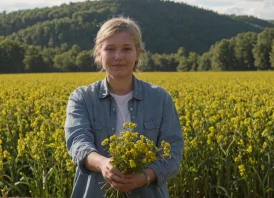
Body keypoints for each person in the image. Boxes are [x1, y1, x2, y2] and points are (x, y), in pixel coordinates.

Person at [64, 17, 184, 198]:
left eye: (126, 49)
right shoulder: (82, 98)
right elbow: (77, 143)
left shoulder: (160, 99)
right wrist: (103, 164)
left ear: (138, 53)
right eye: (110, 49)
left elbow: (173, 152)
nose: (118, 56)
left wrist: (144, 177)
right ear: (99, 53)